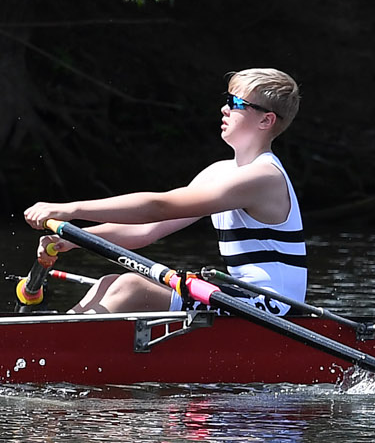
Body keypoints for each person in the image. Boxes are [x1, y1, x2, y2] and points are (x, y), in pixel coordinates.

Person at [20, 68, 306, 315]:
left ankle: (43, 352)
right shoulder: (220, 172)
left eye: (236, 102)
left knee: (130, 287)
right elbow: (147, 230)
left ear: (266, 120)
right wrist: (74, 239)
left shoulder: (263, 176)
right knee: (110, 282)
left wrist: (72, 210)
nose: (224, 108)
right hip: (241, 297)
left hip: (274, 309)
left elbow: (158, 206)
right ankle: (47, 342)